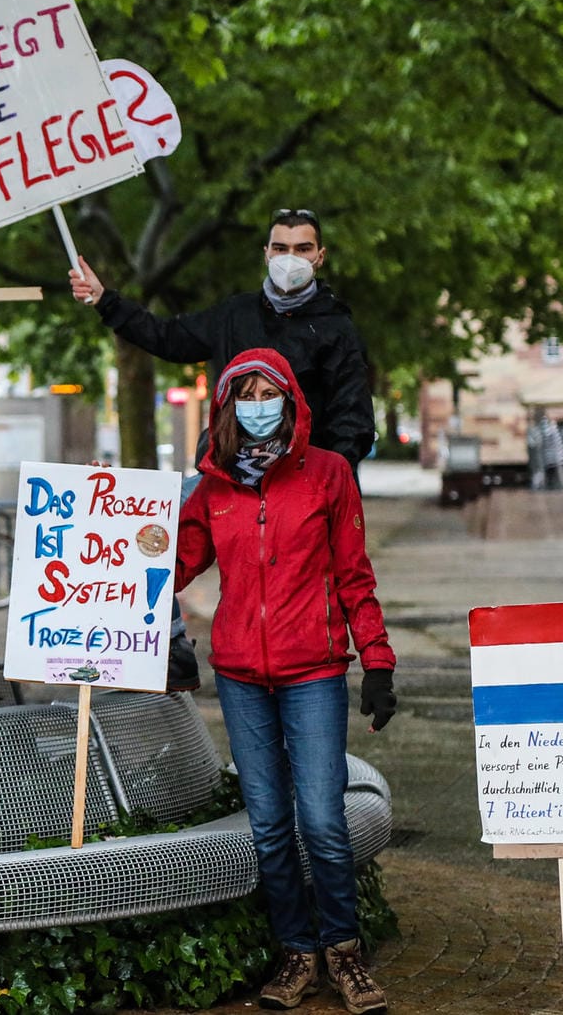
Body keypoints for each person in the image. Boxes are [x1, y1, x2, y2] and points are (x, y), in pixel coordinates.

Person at [174, 348, 395, 1014]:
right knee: (269, 824)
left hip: (314, 673)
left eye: (270, 391)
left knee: (324, 821)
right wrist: (116, 533)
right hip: (240, 677)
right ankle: (296, 952)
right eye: (247, 392)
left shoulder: (326, 474)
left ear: (292, 400)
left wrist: (377, 661)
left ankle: (345, 953)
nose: (259, 403)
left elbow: (355, 575)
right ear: (228, 405)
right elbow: (170, 566)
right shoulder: (212, 489)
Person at [70, 209, 376, 468]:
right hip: (228, 480)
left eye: (303, 248)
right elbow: (166, 337)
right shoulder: (234, 315)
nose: (290, 258)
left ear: (319, 257)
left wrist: (325, 477)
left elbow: (353, 420)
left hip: (303, 488)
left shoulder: (336, 328)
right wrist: (105, 300)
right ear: (267, 253)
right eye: (281, 248)